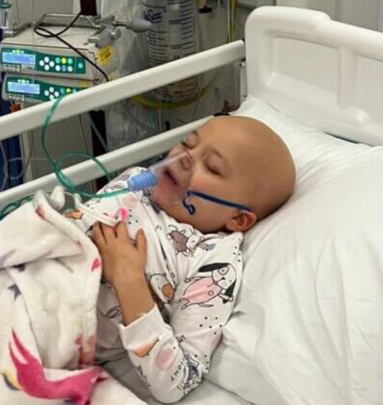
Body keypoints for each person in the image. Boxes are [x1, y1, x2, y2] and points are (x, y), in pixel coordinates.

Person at [65, 115, 296, 403]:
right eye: (188, 143)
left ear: (238, 219)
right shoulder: (136, 181)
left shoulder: (213, 261)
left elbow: (175, 381)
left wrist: (130, 282)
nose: (185, 158)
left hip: (52, 330)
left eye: (212, 167)